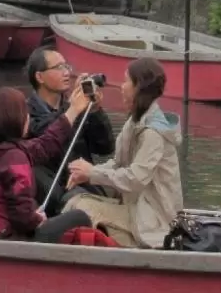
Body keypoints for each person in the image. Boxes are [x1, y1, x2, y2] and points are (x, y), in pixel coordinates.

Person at [63, 58, 184, 249]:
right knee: (75, 202)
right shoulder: (135, 121)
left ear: (139, 88)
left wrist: (92, 174)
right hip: (135, 207)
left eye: (126, 81)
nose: (121, 86)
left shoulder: (153, 132)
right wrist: (86, 173)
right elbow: (119, 163)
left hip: (152, 217)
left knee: (82, 210)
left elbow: (135, 178)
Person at [0, 85, 94, 243]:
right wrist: (37, 219)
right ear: (13, 118)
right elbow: (22, 217)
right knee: (79, 217)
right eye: (24, 112)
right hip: (8, 240)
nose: (28, 117)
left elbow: (44, 145)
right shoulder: (14, 158)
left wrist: (73, 110)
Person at [25, 46, 114, 214]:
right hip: (49, 196)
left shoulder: (76, 108)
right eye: (59, 68)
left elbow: (105, 148)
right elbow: (42, 133)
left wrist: (95, 111)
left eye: (67, 67)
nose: (66, 72)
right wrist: (71, 111)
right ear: (39, 76)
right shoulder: (24, 111)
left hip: (84, 189)